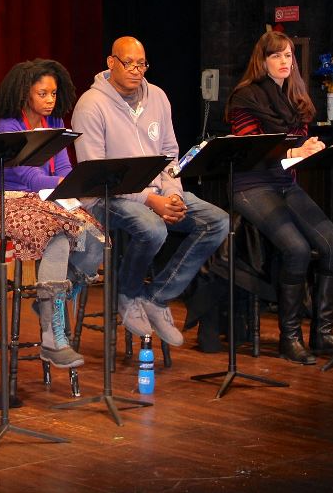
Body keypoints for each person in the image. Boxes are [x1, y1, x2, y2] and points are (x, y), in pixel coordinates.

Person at [71, 37, 229, 347]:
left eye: (142, 64)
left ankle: (156, 298)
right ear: (111, 62)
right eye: (128, 63)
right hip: (107, 196)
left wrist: (172, 193)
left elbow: (170, 152)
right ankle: (128, 295)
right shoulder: (91, 105)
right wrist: (150, 201)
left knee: (216, 221)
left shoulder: (157, 96)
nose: (136, 70)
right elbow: (95, 173)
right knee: (152, 227)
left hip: (157, 192)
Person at [0, 59, 105, 369]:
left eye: (53, 93)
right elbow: (28, 177)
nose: (50, 100)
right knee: (57, 236)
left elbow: (63, 168)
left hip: (46, 201)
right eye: (42, 93)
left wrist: (69, 184)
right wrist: (64, 185)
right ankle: (53, 338)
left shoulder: (54, 127)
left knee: (96, 238)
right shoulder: (7, 128)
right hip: (3, 200)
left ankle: (48, 303)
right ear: (24, 94)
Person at [225, 30, 333, 365]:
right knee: (297, 248)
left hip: (283, 183)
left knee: (332, 242)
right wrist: (295, 149)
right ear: (262, 60)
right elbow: (252, 150)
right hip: (251, 185)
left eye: (288, 55)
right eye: (276, 55)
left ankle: (323, 332)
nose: (284, 61)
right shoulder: (245, 97)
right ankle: (290, 338)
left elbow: (290, 156)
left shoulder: (296, 95)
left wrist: (308, 152)